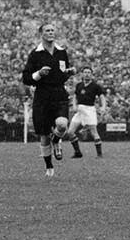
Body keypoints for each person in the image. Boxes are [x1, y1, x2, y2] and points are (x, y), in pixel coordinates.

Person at [21, 23, 76, 177]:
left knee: (62, 124)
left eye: (52, 30)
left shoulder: (61, 52)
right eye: (47, 30)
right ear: (41, 34)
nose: (51, 32)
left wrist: (69, 73)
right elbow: (26, 78)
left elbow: (62, 74)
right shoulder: (35, 54)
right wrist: (39, 74)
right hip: (42, 96)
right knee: (44, 135)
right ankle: (49, 168)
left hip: (59, 93)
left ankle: (57, 140)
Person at [66, 66, 107, 159]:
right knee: (70, 132)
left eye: (89, 72)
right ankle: (77, 152)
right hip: (80, 109)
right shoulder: (79, 85)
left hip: (89, 109)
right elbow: (75, 97)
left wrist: (103, 107)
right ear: (82, 74)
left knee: (94, 132)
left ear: (91, 75)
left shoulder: (95, 86)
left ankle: (99, 155)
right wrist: (74, 105)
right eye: (85, 72)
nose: (87, 74)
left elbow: (102, 97)